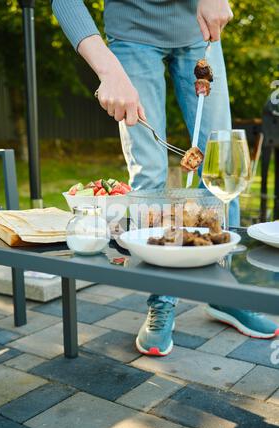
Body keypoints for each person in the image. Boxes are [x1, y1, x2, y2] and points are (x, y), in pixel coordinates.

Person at [52, 0, 279, 355]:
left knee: (222, 168)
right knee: (150, 175)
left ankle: (223, 293)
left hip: (198, 30)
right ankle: (162, 300)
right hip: (132, 34)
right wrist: (109, 72)